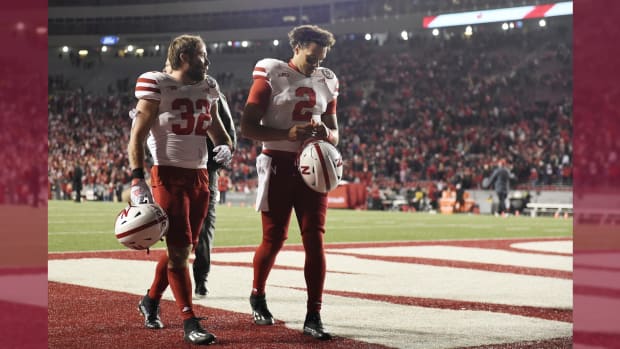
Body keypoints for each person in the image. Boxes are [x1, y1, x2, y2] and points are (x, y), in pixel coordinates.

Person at [128, 34, 232, 346]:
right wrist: (137, 178)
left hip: (200, 176)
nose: (208, 61)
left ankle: (150, 300)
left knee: (184, 248)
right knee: (178, 250)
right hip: (167, 174)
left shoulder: (208, 86)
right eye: (202, 55)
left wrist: (225, 145)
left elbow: (215, 126)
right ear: (185, 56)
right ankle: (189, 320)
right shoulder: (155, 83)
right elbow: (137, 135)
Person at [240, 24, 339, 341]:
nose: (316, 65)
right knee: (275, 238)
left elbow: (335, 132)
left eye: (321, 59)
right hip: (279, 164)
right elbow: (248, 127)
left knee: (315, 238)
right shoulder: (272, 71)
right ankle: (258, 293)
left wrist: (327, 134)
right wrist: (286, 134)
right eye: (312, 57)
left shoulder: (328, 80)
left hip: (313, 168)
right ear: (296, 47)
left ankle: (314, 313)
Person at [161, 58, 238, 300]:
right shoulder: (164, 91)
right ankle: (160, 291)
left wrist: (218, 157)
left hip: (203, 170)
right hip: (172, 169)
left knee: (201, 227)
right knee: (175, 229)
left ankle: (200, 278)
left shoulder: (209, 90)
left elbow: (227, 132)